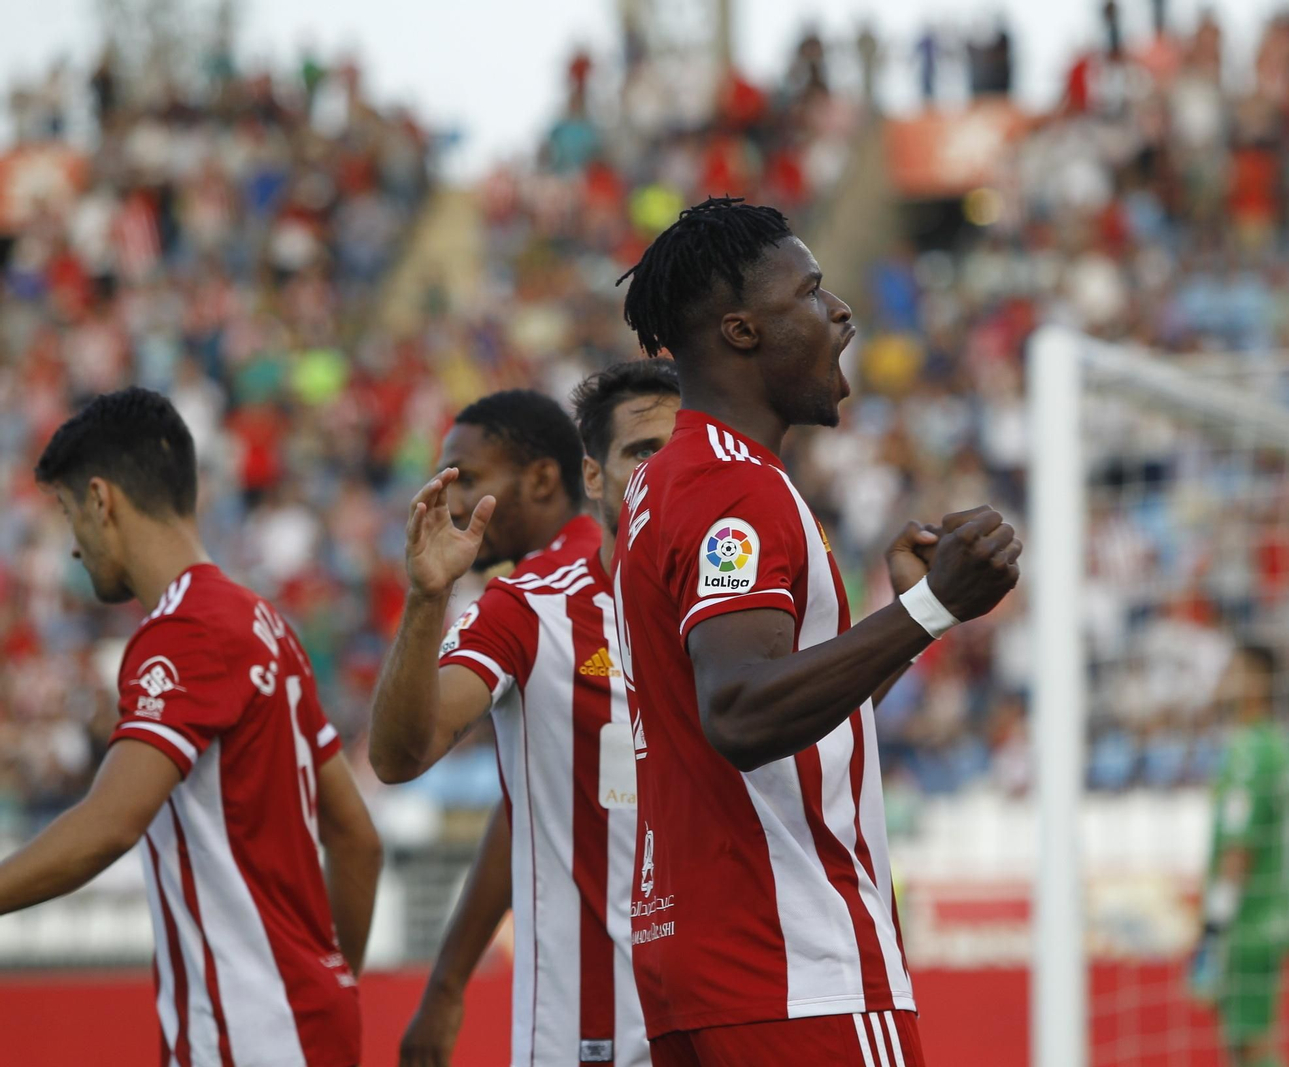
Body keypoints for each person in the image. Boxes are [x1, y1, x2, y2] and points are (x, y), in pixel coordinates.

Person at [611, 196, 1022, 1066]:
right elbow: (741, 714)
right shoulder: (737, 489)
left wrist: (904, 621)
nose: (841, 312)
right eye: (811, 292)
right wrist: (934, 607)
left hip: (704, 966)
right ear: (742, 330)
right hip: (796, 965)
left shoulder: (669, 479)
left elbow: (773, 718)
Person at [8, 387, 380, 1066]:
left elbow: (110, 823)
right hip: (301, 1028)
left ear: (101, 499)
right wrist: (330, 985)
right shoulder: (263, 623)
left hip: (248, 1035)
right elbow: (356, 837)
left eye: (68, 515)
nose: (72, 549)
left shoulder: (184, 630)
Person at [371, 382, 675, 1067]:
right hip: (708, 1012)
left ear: (543, 477)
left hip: (593, 1024)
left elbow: (401, 754)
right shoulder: (656, 580)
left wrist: (428, 598)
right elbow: (539, 801)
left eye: (469, 477)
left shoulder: (534, 597)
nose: (449, 497)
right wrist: (448, 982)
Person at [1190, 643, 1289, 1067]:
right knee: (1245, 1045)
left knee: (1251, 1045)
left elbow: (1240, 847)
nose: (1222, 680)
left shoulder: (1249, 753)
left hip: (1248, 922)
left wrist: (1214, 932)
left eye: (1232, 671)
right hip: (1276, 913)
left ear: (1258, 682)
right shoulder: (1279, 745)